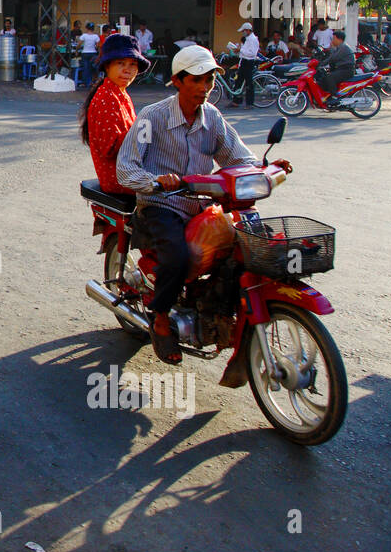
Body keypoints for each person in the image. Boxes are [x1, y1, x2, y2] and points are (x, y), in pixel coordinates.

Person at [117, 45, 291, 372]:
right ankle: (162, 318)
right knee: (179, 257)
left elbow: (236, 156)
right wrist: (156, 181)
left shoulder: (212, 116)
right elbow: (126, 168)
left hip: (200, 204)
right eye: (197, 80)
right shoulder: (151, 117)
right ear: (178, 81)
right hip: (159, 205)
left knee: (248, 242)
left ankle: (220, 307)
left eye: (209, 79)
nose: (204, 87)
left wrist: (264, 168)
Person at [80, 34, 149, 195]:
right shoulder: (107, 97)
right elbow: (110, 149)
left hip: (129, 171)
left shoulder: (120, 93)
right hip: (119, 179)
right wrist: (145, 132)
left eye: (132, 64)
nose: (127, 69)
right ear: (107, 66)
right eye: (120, 63)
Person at [316, 29, 357, 103]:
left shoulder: (343, 47)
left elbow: (333, 58)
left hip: (346, 70)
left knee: (330, 77)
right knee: (324, 76)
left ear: (340, 39)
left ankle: (334, 97)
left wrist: (320, 64)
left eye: (334, 38)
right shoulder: (339, 47)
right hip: (341, 69)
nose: (332, 40)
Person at [233, 21, 261, 107]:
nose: (243, 32)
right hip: (244, 61)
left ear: (248, 30)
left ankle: (249, 103)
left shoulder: (253, 39)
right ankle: (236, 101)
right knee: (238, 81)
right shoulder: (248, 39)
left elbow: (252, 53)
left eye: (243, 31)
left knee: (249, 83)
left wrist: (240, 50)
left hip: (249, 62)